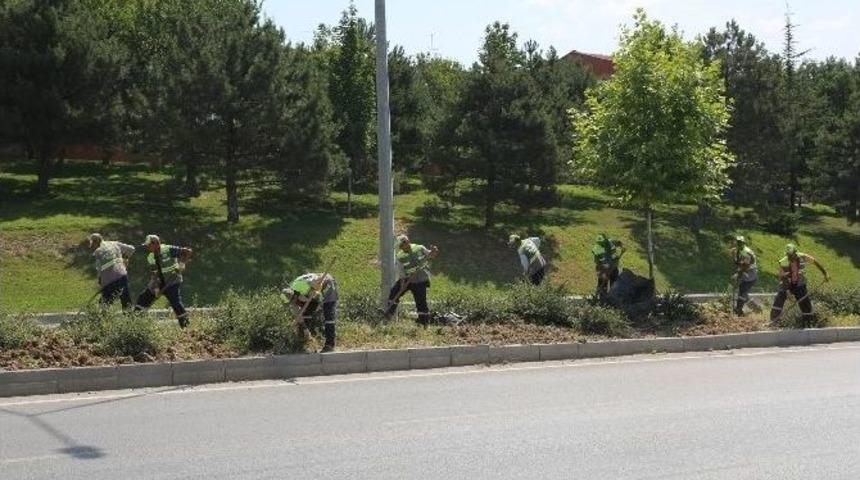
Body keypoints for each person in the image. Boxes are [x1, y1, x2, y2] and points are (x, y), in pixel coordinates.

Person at [133, 234, 194, 328]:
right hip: (159, 282)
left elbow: (188, 251)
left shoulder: (168, 249)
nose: (147, 247)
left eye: (149, 245)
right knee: (143, 298)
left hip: (173, 281)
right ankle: (134, 325)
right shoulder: (150, 257)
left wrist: (181, 264)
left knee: (176, 303)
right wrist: (157, 289)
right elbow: (155, 275)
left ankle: (187, 327)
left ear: (156, 244)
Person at [770, 243, 829, 328]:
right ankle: (774, 321)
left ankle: (808, 323)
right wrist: (789, 278)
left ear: (795, 252)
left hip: (800, 284)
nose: (790, 256)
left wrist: (825, 274)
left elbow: (815, 262)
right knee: (779, 298)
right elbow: (781, 278)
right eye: (788, 255)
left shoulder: (803, 256)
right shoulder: (783, 261)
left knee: (805, 303)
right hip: (787, 284)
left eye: (791, 254)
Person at [385, 235, 438, 326]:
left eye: (403, 244)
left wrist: (434, 251)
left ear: (407, 241)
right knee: (394, 291)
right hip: (406, 279)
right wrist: (402, 284)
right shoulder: (400, 256)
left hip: (420, 280)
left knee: (421, 301)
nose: (402, 247)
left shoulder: (419, 248)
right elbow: (401, 271)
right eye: (400, 246)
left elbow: (430, 256)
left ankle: (423, 321)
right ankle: (389, 313)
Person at [283, 272, 338, 353]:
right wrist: (304, 328)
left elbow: (318, 280)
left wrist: (316, 290)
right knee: (305, 314)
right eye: (291, 302)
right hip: (311, 292)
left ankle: (330, 345)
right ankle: (305, 342)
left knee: (328, 314)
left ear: (294, 295)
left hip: (326, 282)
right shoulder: (291, 299)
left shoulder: (301, 286)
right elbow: (298, 315)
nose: (293, 303)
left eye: (293, 300)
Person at [88, 233, 136, 309]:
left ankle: (102, 319)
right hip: (122, 276)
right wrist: (126, 259)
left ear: (95, 242)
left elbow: (100, 271)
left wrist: (101, 283)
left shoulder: (98, 252)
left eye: (92, 244)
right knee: (126, 301)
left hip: (110, 281)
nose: (93, 247)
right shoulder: (115, 244)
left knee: (104, 304)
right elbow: (132, 249)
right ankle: (131, 319)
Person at [730, 235, 759, 315]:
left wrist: (737, 274)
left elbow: (745, 266)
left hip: (751, 275)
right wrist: (733, 255)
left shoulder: (746, 252)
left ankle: (738, 310)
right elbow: (738, 263)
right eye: (738, 243)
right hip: (745, 274)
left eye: (740, 243)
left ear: (743, 243)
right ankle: (756, 308)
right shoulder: (739, 250)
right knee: (742, 293)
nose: (739, 244)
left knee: (742, 294)